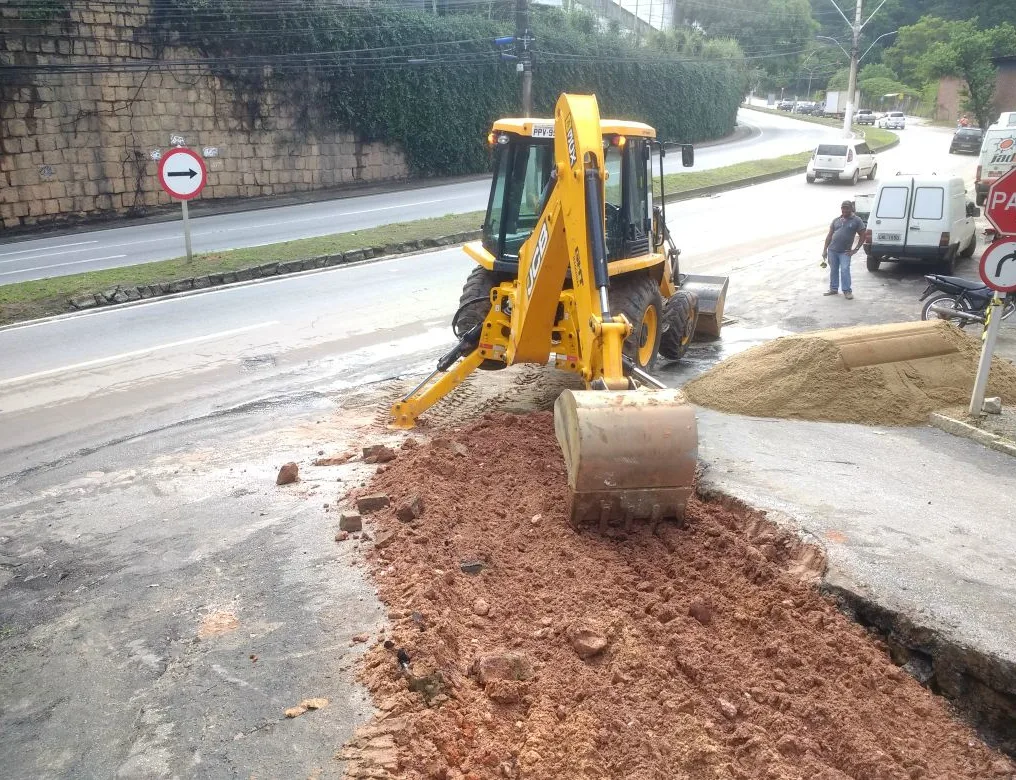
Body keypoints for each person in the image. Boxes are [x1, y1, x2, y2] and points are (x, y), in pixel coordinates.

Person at [821, 200, 866, 299]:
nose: (844, 210)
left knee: (845, 270)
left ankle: (847, 291)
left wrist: (855, 249)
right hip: (832, 250)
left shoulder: (856, 220)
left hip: (845, 252)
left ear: (851, 209)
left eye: (847, 208)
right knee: (833, 269)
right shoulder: (836, 220)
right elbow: (829, 235)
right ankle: (833, 289)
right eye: (843, 208)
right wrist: (825, 250)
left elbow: (863, 235)